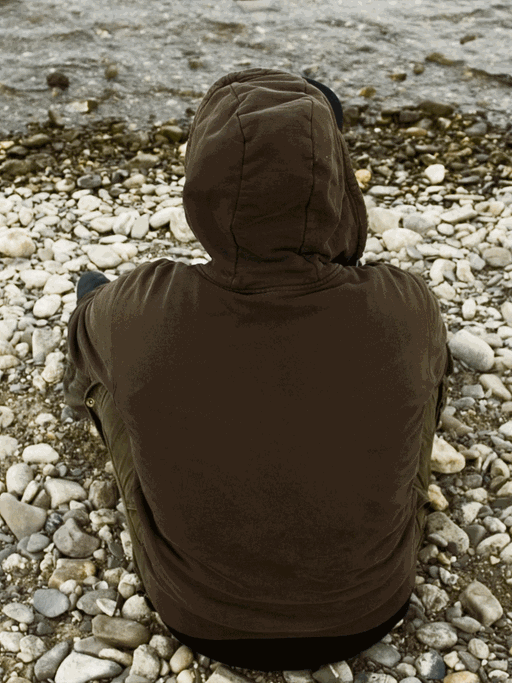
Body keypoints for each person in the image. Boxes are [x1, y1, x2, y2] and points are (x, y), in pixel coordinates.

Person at [63, 67, 453, 672]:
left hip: (201, 615)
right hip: (371, 607)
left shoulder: (143, 306)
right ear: (338, 185)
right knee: (422, 376)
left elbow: (79, 352)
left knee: (107, 354)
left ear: (202, 184)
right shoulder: (407, 307)